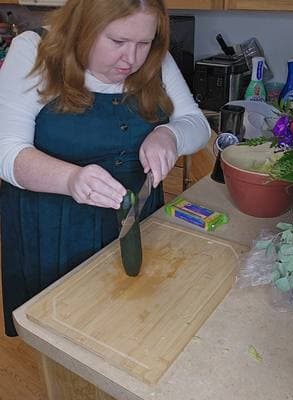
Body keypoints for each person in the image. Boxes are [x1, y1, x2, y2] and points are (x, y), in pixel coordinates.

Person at [0, 0, 211, 337]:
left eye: (144, 43)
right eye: (117, 42)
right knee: (63, 333)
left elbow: (196, 124)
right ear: (83, 26)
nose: (131, 58)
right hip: (54, 227)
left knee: (137, 324)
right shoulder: (35, 51)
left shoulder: (155, 58)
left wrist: (169, 134)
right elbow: (6, 152)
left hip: (138, 220)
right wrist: (70, 179)